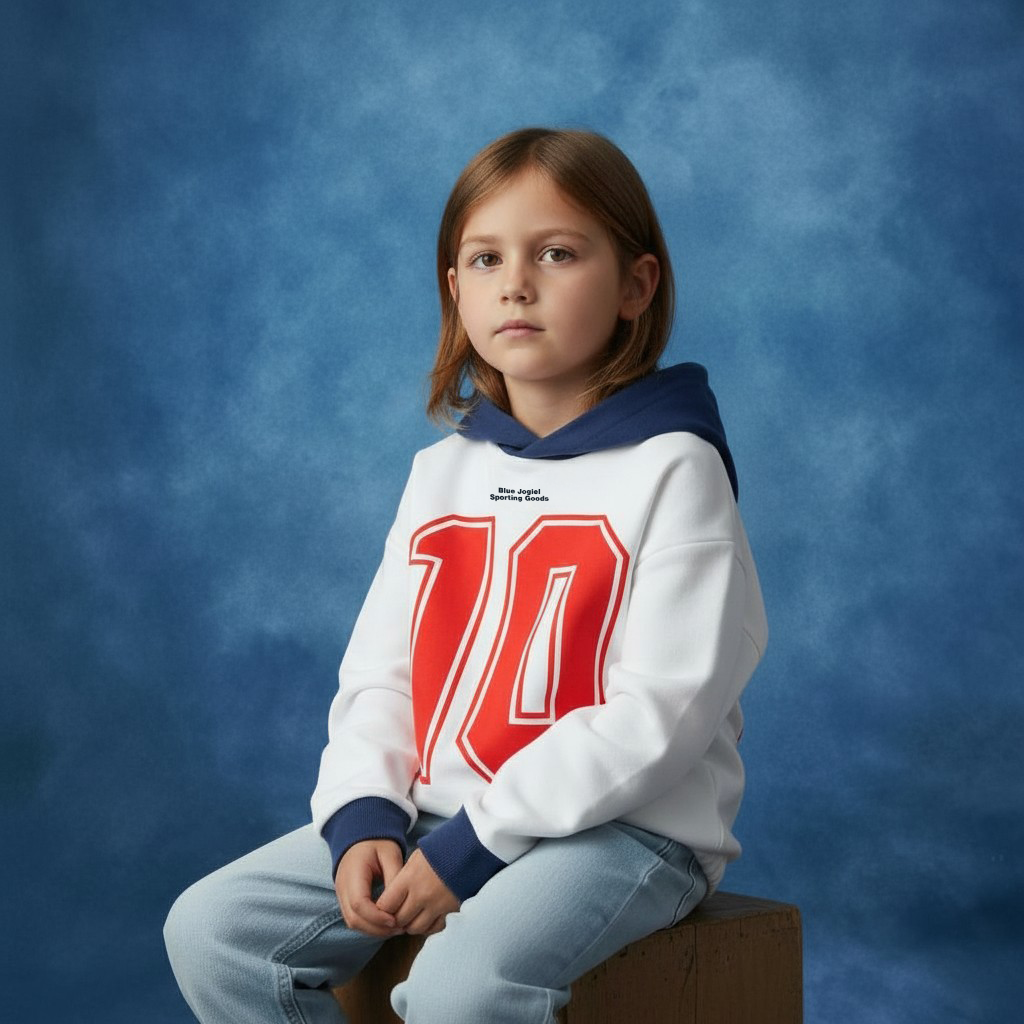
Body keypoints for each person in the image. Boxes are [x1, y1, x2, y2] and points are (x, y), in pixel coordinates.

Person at [164, 127, 768, 1024]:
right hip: (433, 817)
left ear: (637, 285)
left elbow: (662, 712)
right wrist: (365, 811)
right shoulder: (442, 471)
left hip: (623, 831)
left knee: (460, 986)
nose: (516, 282)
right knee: (214, 929)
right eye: (485, 258)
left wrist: (478, 842)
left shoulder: (675, 469)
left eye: (557, 253)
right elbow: (384, 673)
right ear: (456, 287)